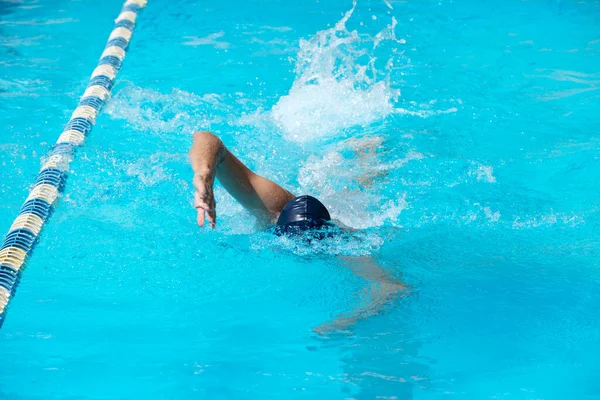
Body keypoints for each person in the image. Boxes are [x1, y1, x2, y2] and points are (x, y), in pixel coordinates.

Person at [189, 130, 406, 333]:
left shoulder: (347, 244)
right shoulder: (273, 208)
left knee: (359, 192)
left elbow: (393, 287)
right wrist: (204, 174)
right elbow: (208, 139)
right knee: (344, 188)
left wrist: (348, 322)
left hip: (341, 213)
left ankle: (369, 152)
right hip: (293, 206)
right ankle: (366, 152)